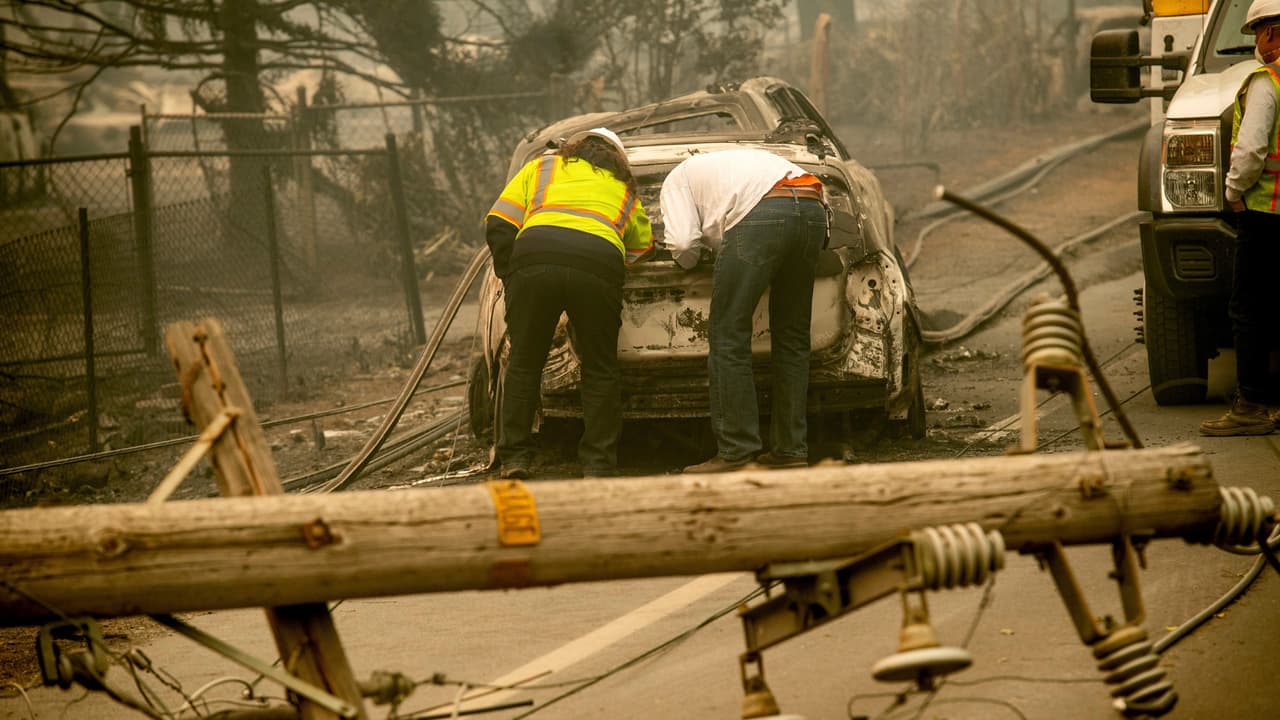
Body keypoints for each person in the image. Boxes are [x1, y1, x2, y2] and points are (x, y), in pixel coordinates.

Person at [485, 127, 653, 478]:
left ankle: (515, 457)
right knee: (599, 367)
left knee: (524, 363)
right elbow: (641, 248)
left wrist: (511, 274)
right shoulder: (624, 189)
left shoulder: (542, 167)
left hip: (535, 258)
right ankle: (598, 462)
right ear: (617, 158)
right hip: (596, 263)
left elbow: (499, 220)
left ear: (575, 146)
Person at [660, 148, 830, 472]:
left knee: (728, 334)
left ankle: (736, 451)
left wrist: (689, 262)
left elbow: (682, 244)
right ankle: (790, 449)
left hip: (762, 214)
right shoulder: (735, 165)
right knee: (792, 336)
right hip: (812, 207)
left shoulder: (677, 178)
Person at [1200, 0, 1280, 436]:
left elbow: (1250, 151)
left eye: (1255, 36)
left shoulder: (1267, 82)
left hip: (1266, 213)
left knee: (1248, 309)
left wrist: (1232, 192)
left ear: (1268, 33)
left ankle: (1251, 404)